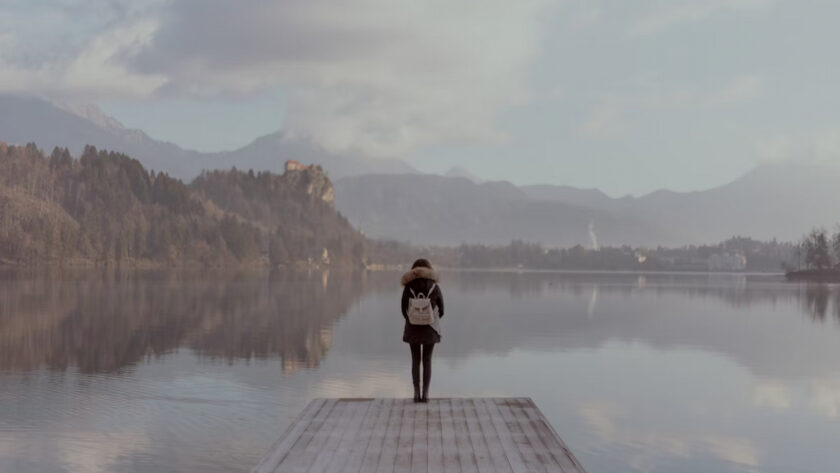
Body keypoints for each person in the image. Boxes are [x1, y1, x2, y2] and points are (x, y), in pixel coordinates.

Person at [400, 258, 444, 403]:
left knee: (415, 360)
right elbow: (442, 310)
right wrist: (430, 316)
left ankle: (415, 393)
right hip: (430, 329)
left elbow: (403, 309)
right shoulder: (434, 286)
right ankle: (425, 394)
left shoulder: (409, 286)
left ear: (413, 270)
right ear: (430, 270)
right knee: (427, 360)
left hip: (413, 328)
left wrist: (413, 318)